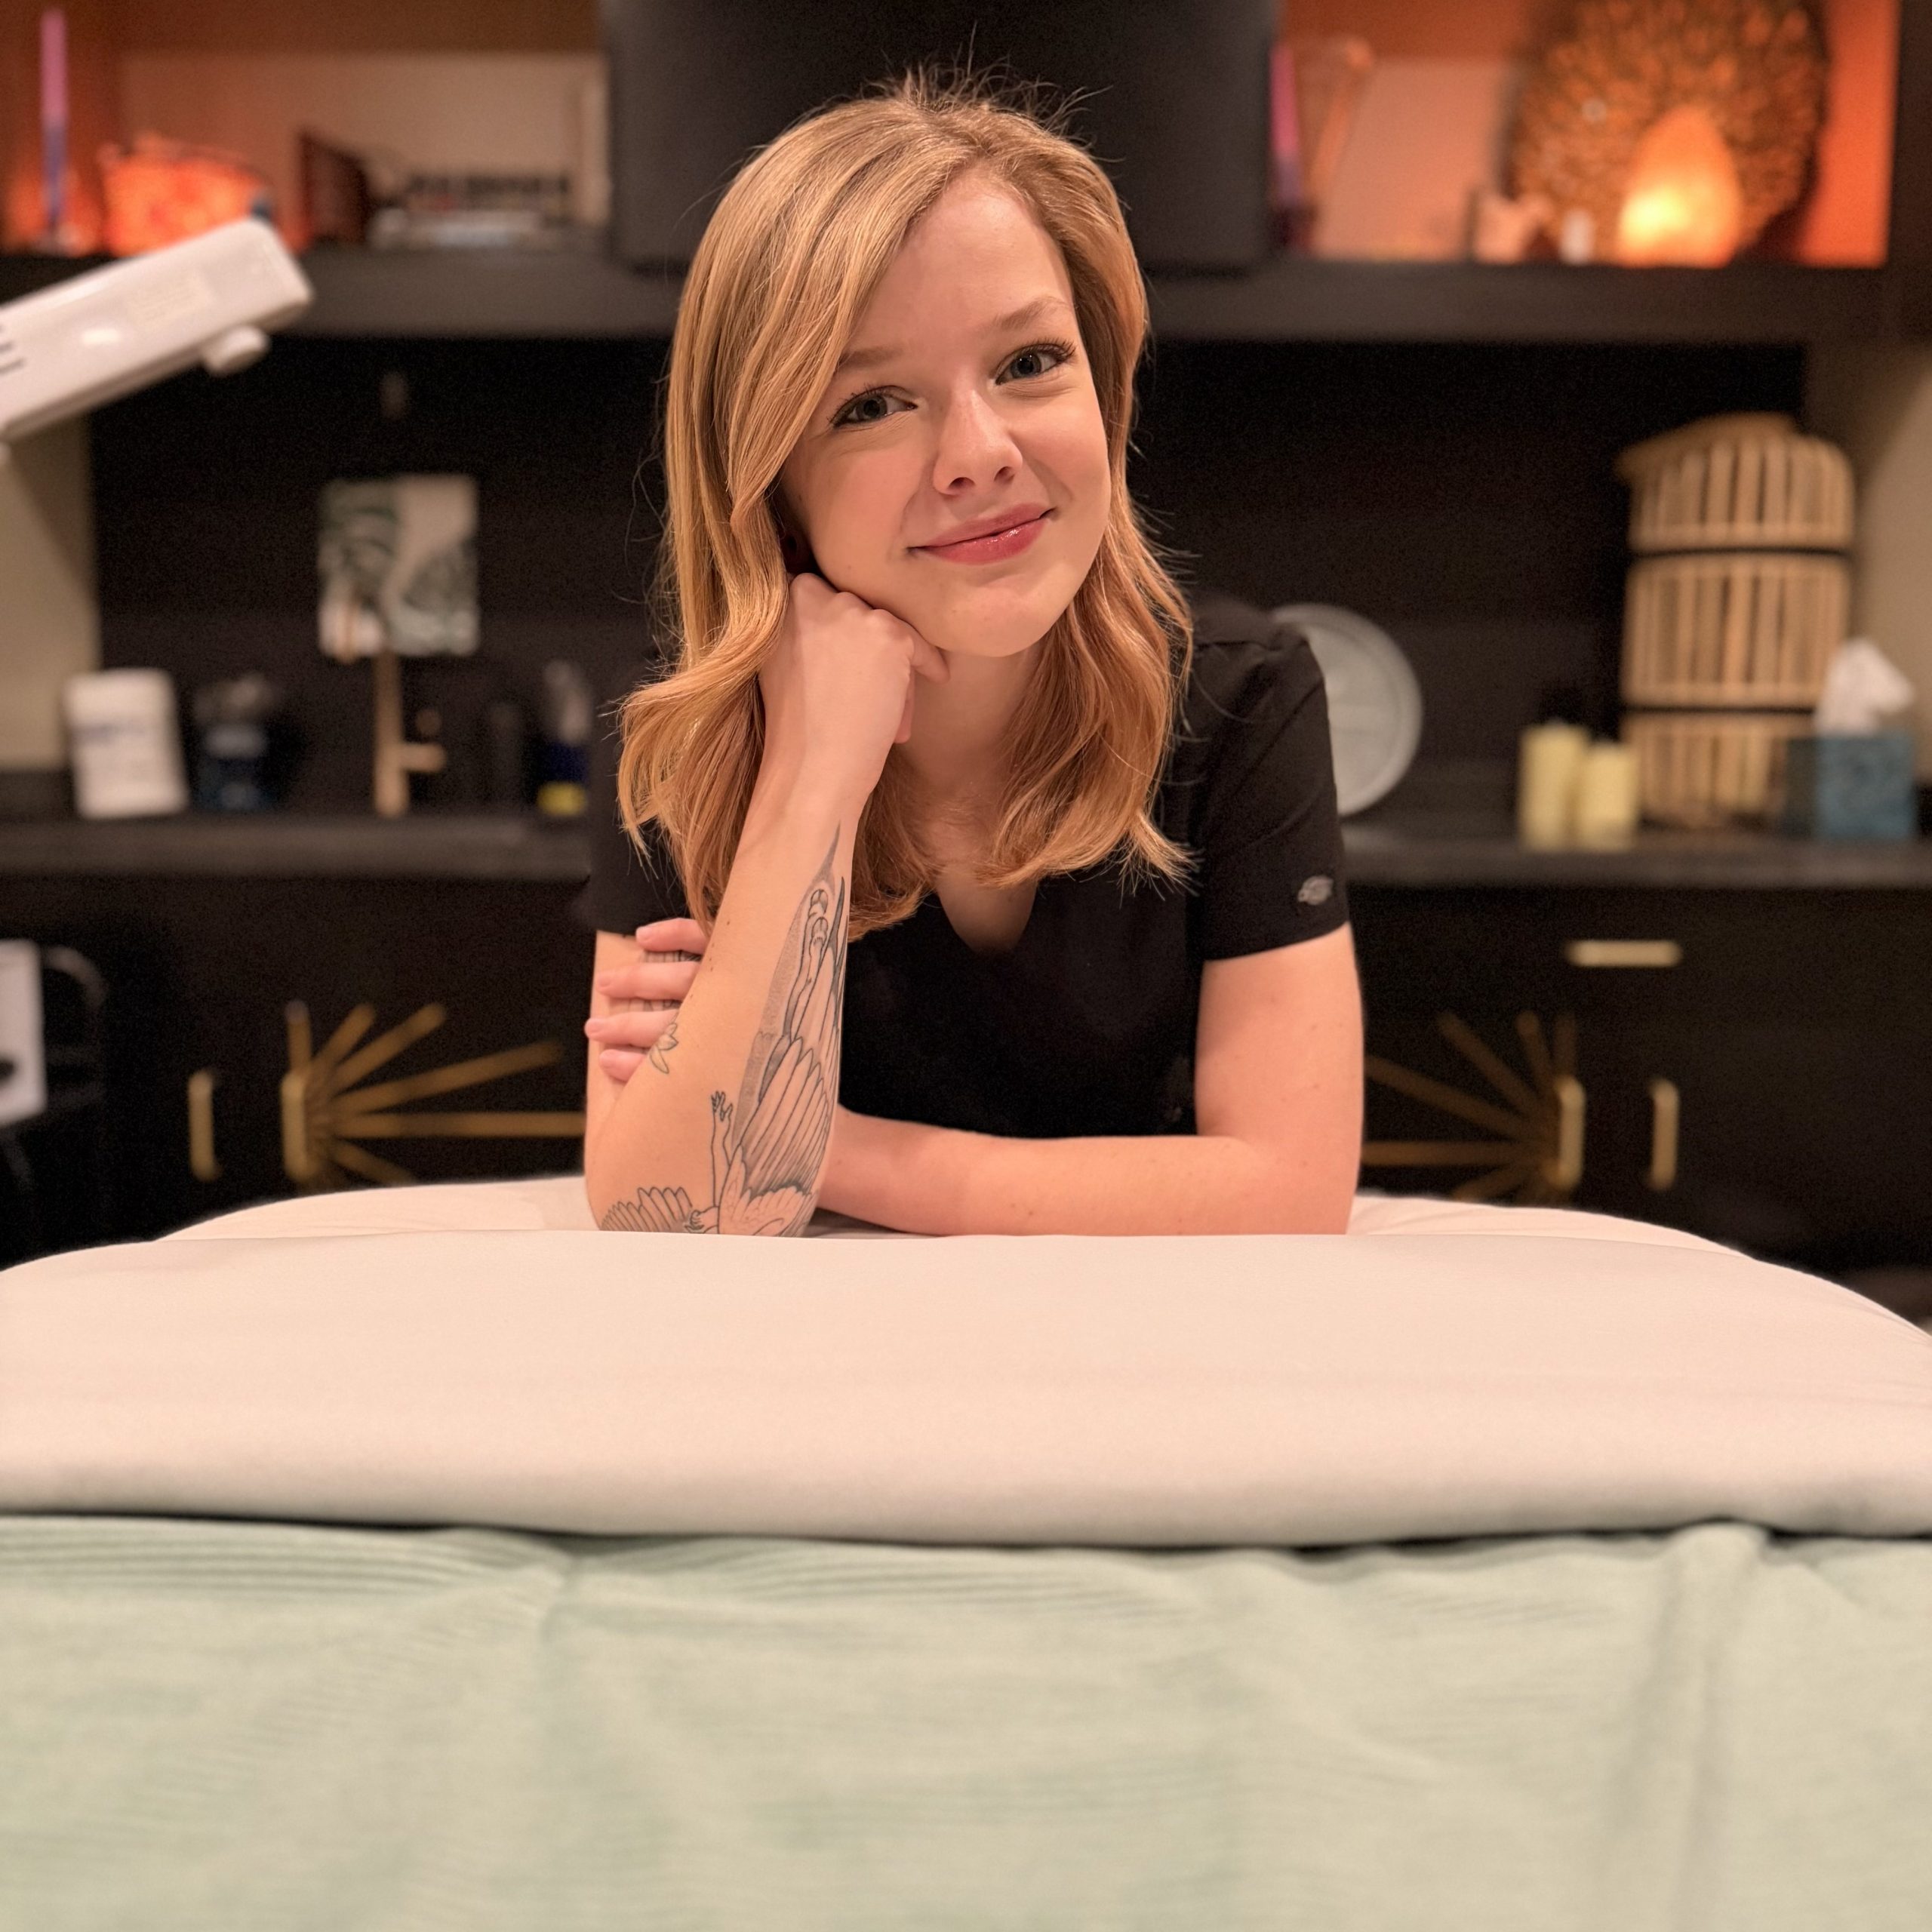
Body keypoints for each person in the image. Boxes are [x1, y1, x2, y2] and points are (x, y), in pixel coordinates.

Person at [574, 70, 1363, 1237]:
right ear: (768, 482)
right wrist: (810, 783)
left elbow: (1289, 1191)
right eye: (871, 403)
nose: (977, 452)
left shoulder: (1240, 696)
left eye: (1029, 362)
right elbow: (659, 1204)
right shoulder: (684, 748)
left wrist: (799, 1140)